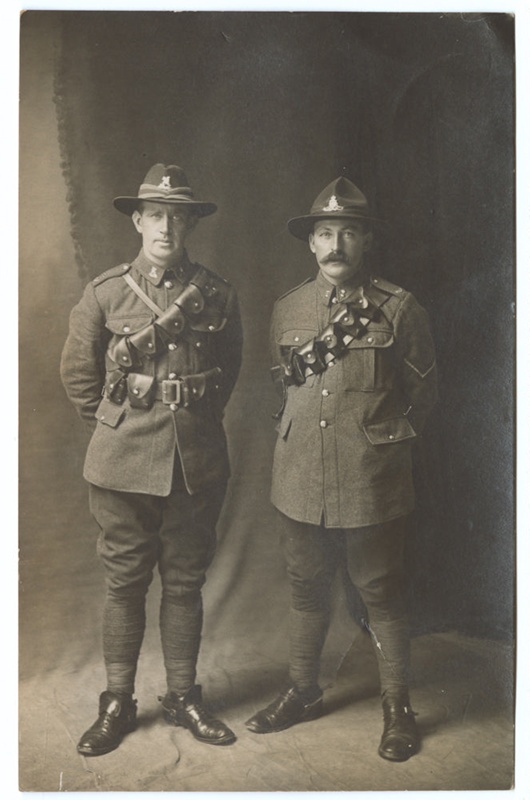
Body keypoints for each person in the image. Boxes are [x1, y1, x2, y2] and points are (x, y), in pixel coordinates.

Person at [244, 177, 437, 761]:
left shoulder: (399, 308)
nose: (336, 245)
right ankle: (302, 690)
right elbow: (281, 393)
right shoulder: (287, 309)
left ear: (366, 241)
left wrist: (379, 446)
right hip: (299, 474)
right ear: (310, 243)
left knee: (381, 591)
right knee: (307, 589)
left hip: (369, 477)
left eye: (348, 232)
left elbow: (423, 395)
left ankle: (397, 706)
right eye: (325, 232)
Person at [61, 163, 243, 756]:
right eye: (155, 215)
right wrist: (115, 428)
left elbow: (230, 369)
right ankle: (117, 700)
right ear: (138, 221)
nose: (166, 226)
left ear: (189, 223)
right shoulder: (105, 292)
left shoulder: (215, 294)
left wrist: (186, 417)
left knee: (186, 583)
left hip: (194, 462)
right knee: (124, 584)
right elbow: (79, 375)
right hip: (121, 467)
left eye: (177, 215)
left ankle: (184, 695)